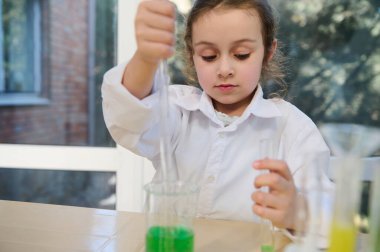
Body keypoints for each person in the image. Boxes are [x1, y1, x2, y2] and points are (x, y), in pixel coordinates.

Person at [102, 0, 333, 237]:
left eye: (241, 55)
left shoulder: (291, 128)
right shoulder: (178, 109)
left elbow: (331, 216)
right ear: (192, 55)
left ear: (268, 52)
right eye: (209, 56)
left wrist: (298, 212)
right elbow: (129, 118)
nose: (224, 69)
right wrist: (146, 59)